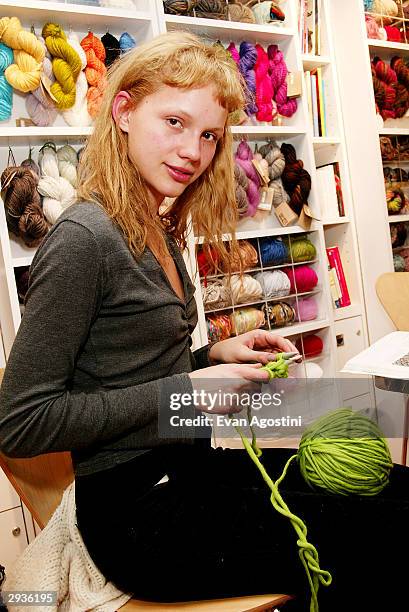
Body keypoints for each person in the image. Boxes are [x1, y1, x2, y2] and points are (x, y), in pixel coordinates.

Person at [0, 32, 408, 612]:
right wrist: (186, 394)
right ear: (123, 110)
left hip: (190, 469)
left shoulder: (156, 225)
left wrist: (211, 358)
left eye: (209, 135)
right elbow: (21, 423)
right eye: (174, 121)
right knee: (376, 537)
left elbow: (125, 374)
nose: (193, 150)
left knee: (393, 491)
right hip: (139, 517)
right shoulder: (84, 240)